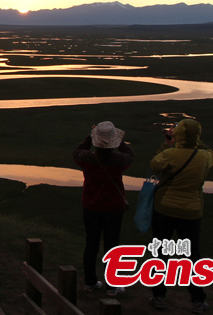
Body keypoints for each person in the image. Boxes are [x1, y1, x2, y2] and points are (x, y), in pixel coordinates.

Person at [149, 118, 213, 314]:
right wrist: (195, 142)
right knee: (192, 256)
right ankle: (197, 300)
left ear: (178, 135)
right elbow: (210, 153)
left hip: (165, 209)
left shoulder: (170, 154)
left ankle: (159, 297)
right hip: (192, 212)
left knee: (161, 254)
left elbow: (155, 164)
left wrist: (168, 143)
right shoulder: (205, 156)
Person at [72, 121, 134, 297]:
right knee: (112, 245)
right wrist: (118, 141)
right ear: (113, 141)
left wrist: (88, 139)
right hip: (114, 208)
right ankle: (112, 285)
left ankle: (90, 282)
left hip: (91, 206)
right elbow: (130, 155)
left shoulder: (87, 159)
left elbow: (76, 152)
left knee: (91, 243)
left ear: (95, 140)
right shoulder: (119, 161)